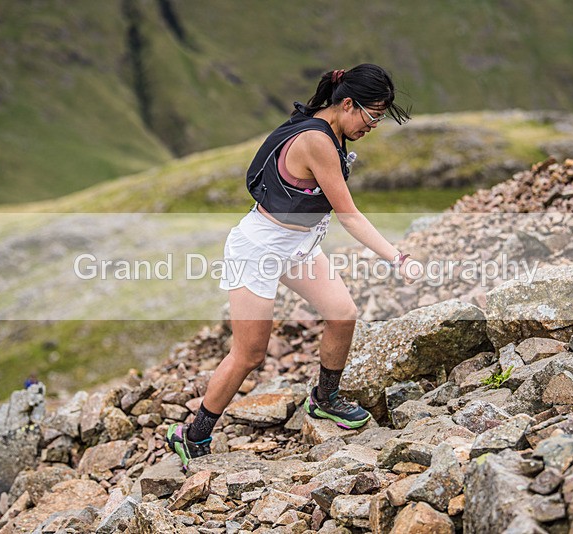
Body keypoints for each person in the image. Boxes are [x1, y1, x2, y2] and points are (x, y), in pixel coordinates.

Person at [166, 63, 417, 470]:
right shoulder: (317, 140)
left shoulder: (330, 126)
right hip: (259, 250)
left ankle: (325, 399)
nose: (373, 126)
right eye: (372, 116)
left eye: (379, 119)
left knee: (342, 314)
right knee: (249, 355)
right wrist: (396, 258)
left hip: (299, 247)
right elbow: (349, 215)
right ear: (347, 104)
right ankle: (193, 435)